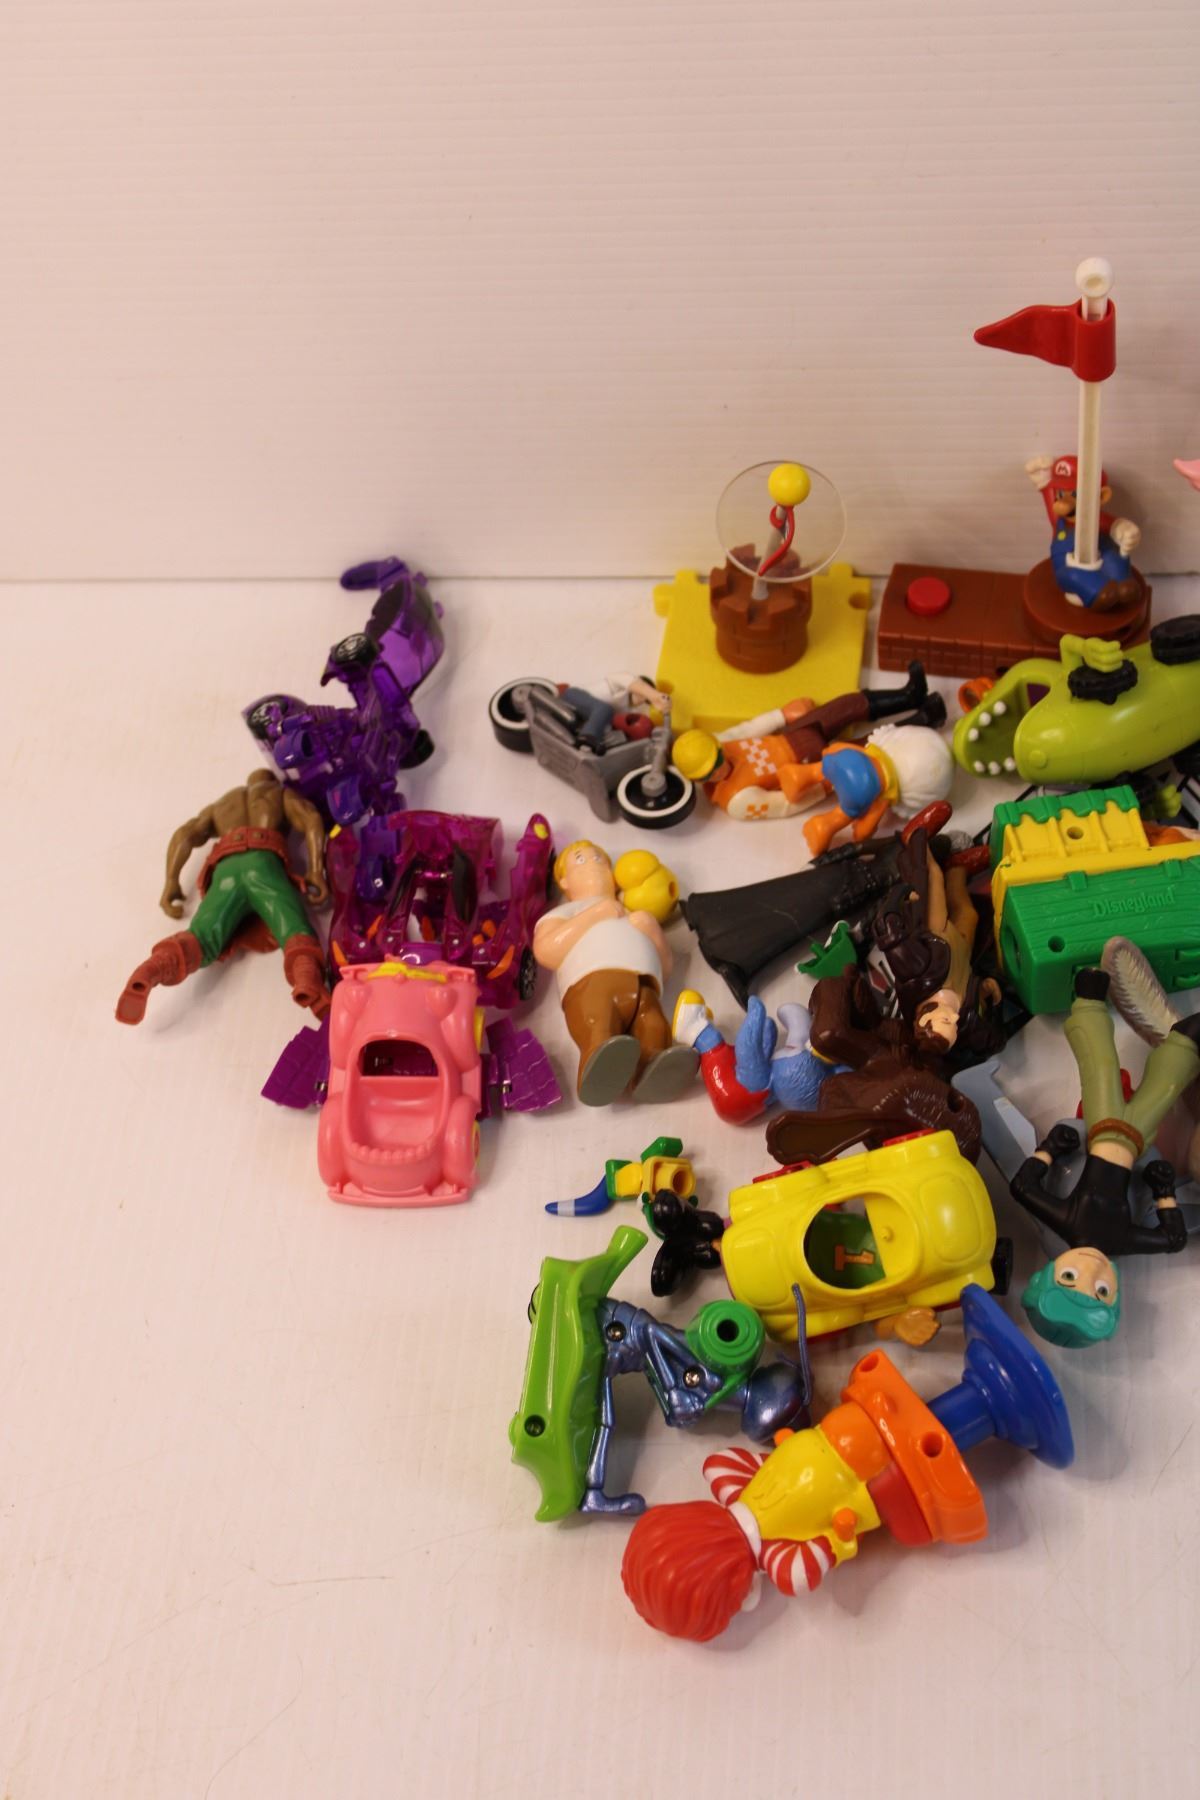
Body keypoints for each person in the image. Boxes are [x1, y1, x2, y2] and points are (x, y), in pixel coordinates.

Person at [1009, 968, 1197, 1260]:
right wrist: (1164, 1191)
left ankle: (1088, 1001)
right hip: (1137, 1137)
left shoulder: (1066, 1223)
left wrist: (1049, 1149)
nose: (1088, 1275)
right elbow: (1173, 1239)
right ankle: (1186, 1038)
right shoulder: (1121, 1242)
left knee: (1100, 1067)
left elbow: (1022, 1187)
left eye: (1070, 1277)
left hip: (1103, 1126)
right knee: (1168, 1084)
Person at [116, 770, 330, 1026]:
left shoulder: (222, 805)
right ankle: (308, 982)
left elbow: (185, 834)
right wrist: (315, 870)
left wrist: (171, 881)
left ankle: (153, 969)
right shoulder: (278, 794)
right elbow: (310, 818)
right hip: (263, 865)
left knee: (202, 938)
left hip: (226, 872)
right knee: (293, 930)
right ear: (270, 781)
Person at [533, 840, 697, 1105]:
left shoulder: (632, 913)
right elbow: (546, 949)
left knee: (653, 1024)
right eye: (581, 860)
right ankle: (597, 1067)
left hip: (644, 984)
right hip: (590, 983)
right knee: (598, 1023)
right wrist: (595, 914)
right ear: (564, 882)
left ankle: (653, 1066)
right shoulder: (567, 912)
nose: (594, 864)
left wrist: (652, 930)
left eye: (600, 859)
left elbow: (666, 967)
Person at [671, 663, 944, 823]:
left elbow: (748, 728)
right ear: (702, 779)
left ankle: (910, 694)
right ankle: (926, 718)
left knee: (845, 705)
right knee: (868, 749)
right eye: (712, 769)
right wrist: (825, 784)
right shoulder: (737, 801)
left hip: (790, 735)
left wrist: (780, 715)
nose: (721, 764)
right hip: (809, 764)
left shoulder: (720, 741)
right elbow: (785, 805)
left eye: (718, 756)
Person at [1025, 453, 1141, 610]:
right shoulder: (1059, 520)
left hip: (1100, 555)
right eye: (1060, 494)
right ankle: (1096, 592)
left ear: (1102, 496)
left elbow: (1114, 525)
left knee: (1116, 557)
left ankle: (1122, 582)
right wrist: (1043, 478)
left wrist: (1124, 530)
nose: (1063, 503)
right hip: (1069, 566)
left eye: (1074, 494)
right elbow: (1049, 495)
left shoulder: (1096, 519)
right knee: (1073, 575)